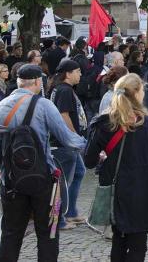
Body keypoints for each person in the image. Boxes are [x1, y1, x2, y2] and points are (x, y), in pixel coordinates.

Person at [0, 64, 87, 262]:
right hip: (44, 179)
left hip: (11, 180)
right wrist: (91, 147)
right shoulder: (44, 105)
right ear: (37, 82)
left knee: (11, 232)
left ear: (19, 82)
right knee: (48, 233)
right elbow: (67, 138)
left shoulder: (1, 106)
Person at [84, 74, 148, 262]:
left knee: (119, 239)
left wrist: (103, 156)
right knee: (138, 244)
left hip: (115, 189)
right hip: (143, 189)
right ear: (138, 94)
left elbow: (88, 161)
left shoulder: (103, 123)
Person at [49, 58, 88, 229]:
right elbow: (64, 116)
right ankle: (59, 219)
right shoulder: (64, 91)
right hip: (65, 143)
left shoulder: (62, 89)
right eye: (78, 71)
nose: (80, 74)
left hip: (68, 143)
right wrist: (73, 137)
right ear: (68, 74)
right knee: (63, 182)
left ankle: (71, 211)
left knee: (79, 171)